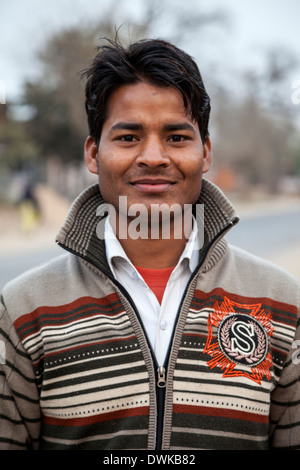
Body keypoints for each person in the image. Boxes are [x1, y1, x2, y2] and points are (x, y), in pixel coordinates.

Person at [0, 38, 300, 451]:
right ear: (93, 153)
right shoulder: (24, 311)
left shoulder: (282, 303)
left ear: (206, 152)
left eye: (177, 137)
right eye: (128, 137)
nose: (154, 157)